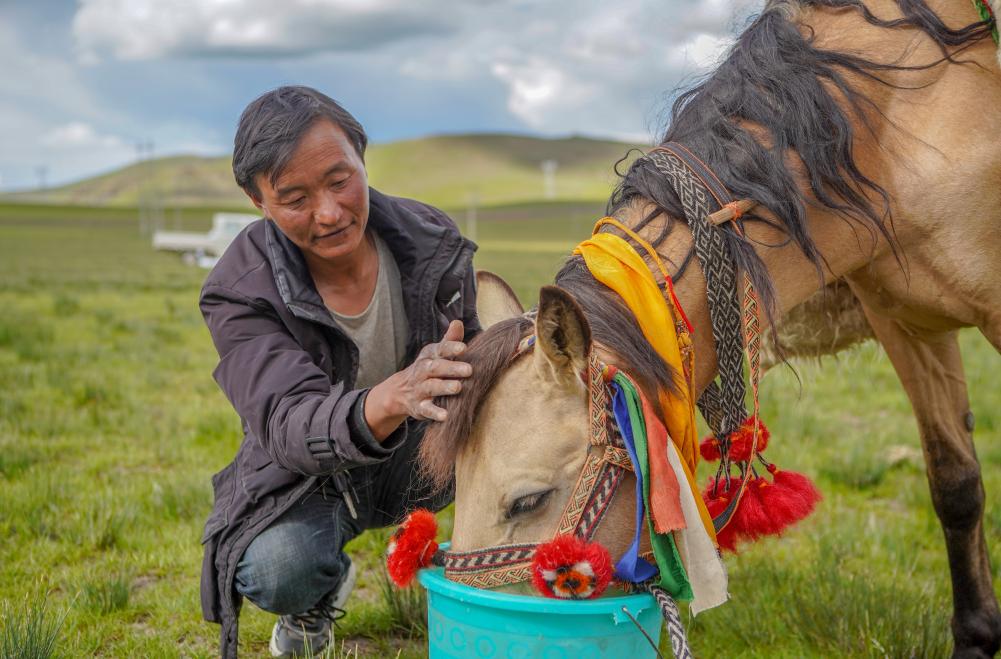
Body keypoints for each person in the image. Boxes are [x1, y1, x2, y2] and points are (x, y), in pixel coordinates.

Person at [198, 85, 480, 658]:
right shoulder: (236, 290)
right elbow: (287, 421)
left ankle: (512, 581)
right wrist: (393, 395)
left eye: (339, 180)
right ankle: (314, 599)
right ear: (259, 202)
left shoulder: (431, 240)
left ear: (361, 157)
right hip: (307, 476)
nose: (328, 213)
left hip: (422, 453)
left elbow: (473, 348)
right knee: (279, 569)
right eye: (295, 198)